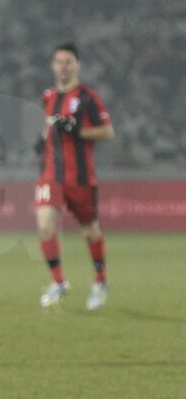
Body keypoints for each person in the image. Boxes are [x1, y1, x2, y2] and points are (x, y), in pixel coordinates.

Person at [34, 43, 115, 310]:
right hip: (51, 174)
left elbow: (107, 132)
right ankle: (59, 282)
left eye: (69, 62)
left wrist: (77, 130)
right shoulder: (48, 96)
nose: (64, 67)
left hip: (80, 177)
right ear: (53, 66)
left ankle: (100, 280)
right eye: (59, 62)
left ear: (78, 65)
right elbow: (49, 128)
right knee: (45, 225)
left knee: (90, 231)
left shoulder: (88, 97)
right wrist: (43, 139)